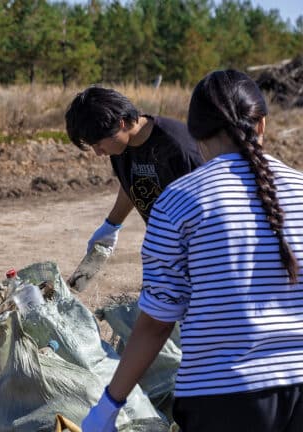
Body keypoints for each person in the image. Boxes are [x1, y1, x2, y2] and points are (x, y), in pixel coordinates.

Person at [82, 69, 303, 431]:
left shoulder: (177, 202)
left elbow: (155, 324)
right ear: (261, 124)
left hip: (224, 397)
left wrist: (108, 406)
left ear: (196, 133)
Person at [64, 87, 203, 254]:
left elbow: (212, 202)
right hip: (165, 247)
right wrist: (111, 225)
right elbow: (132, 183)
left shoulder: (179, 148)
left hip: (199, 247)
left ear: (121, 124)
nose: (98, 152)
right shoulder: (120, 147)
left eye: (99, 144)